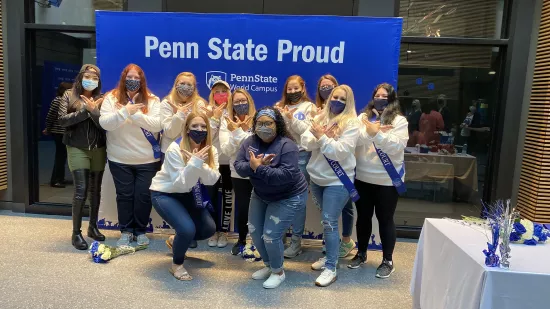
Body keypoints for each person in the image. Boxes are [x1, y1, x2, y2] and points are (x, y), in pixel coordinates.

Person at [234, 106, 308, 289]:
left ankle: (278, 272)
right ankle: (269, 266)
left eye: (268, 123)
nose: (264, 127)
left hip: (288, 196)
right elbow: (238, 166)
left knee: (270, 236)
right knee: (255, 232)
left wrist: (258, 168)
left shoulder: (287, 145)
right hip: (261, 194)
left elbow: (285, 176)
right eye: (260, 123)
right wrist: (253, 166)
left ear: (277, 125)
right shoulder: (249, 142)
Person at [301, 85, 360, 287]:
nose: (337, 101)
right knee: (326, 221)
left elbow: (340, 152)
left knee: (329, 222)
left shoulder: (352, 123)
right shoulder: (320, 118)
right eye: (335, 97)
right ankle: (329, 257)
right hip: (317, 179)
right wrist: (323, 136)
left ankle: (331, 268)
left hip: (338, 180)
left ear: (349, 102)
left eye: (343, 99)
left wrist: (321, 137)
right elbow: (306, 143)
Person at [349, 83, 409, 280]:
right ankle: (361, 253)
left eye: (385, 96)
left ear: (391, 99)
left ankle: (387, 261)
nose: (380, 98)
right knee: (363, 218)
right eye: (377, 95)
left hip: (388, 180)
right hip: (363, 177)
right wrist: (370, 131)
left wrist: (378, 134)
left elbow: (396, 147)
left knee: (385, 220)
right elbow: (355, 140)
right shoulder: (363, 118)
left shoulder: (400, 121)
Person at [150, 112, 219, 281]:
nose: (199, 129)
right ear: (187, 128)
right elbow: (181, 184)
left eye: (203, 126)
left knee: (208, 229)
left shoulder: (211, 150)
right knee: (187, 229)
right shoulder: (175, 148)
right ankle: (177, 264)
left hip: (187, 194)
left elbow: (212, 179)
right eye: (194, 126)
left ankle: (176, 240)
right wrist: (195, 163)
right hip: (165, 193)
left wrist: (198, 163)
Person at [99, 63, 162, 247]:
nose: (133, 81)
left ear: (142, 80)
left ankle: (141, 231)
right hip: (119, 159)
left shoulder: (152, 100)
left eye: (137, 78)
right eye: (129, 77)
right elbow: (105, 123)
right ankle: (126, 231)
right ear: (123, 78)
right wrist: (125, 111)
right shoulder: (111, 98)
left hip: (147, 159)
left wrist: (134, 115)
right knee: (124, 196)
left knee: (143, 196)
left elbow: (157, 125)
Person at [57, 65, 106, 250]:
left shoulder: (103, 97)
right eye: (87, 76)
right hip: (77, 147)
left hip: (98, 148)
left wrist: (94, 111)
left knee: (96, 190)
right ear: (80, 77)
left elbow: (105, 125)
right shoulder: (69, 95)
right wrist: (85, 111)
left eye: (95, 77)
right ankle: (76, 233)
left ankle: (93, 227)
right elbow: (62, 120)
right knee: (81, 190)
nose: (91, 79)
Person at [274, 75, 315, 258]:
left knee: (298, 200)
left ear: (303, 88)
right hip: (281, 156)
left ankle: (296, 241)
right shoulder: (279, 106)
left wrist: (292, 119)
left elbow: (308, 132)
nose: (292, 92)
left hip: (301, 156)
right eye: (289, 89)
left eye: (295, 88)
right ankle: (279, 235)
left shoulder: (309, 108)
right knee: (280, 198)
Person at [219, 88, 256, 255]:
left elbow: (256, 146)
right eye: (237, 102)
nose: (241, 104)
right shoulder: (226, 121)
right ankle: (241, 239)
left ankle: (258, 242)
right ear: (231, 105)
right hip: (238, 171)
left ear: (249, 101)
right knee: (242, 207)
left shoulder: (258, 119)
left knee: (259, 207)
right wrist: (238, 131)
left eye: (243, 101)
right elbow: (227, 150)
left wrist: (238, 133)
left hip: (258, 170)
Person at [200, 80, 232, 248]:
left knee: (227, 197)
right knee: (211, 197)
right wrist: (214, 118)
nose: (220, 94)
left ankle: (224, 232)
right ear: (212, 94)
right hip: (211, 161)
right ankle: (212, 231)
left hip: (228, 162)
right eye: (217, 91)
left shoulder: (234, 111)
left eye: (224, 91)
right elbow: (205, 137)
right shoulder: (205, 111)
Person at [160, 72, 207, 155]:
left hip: (193, 150)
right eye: (182, 83)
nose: (185, 87)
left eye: (189, 84)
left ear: (194, 87)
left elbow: (200, 131)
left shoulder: (199, 103)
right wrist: (179, 115)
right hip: (170, 151)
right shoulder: (167, 102)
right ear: (176, 85)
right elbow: (170, 133)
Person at [44, 82, 73, 188]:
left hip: (63, 132)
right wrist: (48, 128)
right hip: (59, 132)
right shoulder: (58, 100)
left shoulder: (64, 100)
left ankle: (59, 178)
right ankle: (56, 180)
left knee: (62, 156)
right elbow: (50, 116)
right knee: (60, 156)